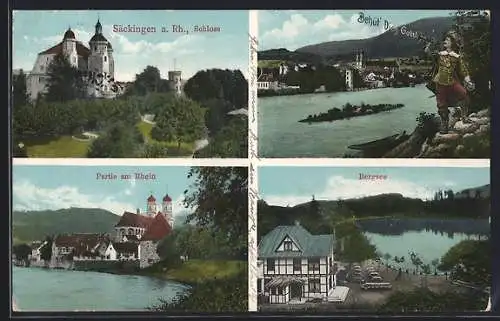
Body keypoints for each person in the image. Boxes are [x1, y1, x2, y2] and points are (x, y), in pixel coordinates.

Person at [424, 32, 475, 134]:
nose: (445, 41)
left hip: (452, 81)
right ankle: (444, 125)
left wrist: (468, 81)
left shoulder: (456, 56)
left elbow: (463, 70)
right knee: (441, 104)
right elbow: (428, 53)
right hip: (440, 82)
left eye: (447, 40)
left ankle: (464, 116)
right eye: (445, 40)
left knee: (464, 94)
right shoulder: (439, 55)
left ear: (452, 43)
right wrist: (428, 45)